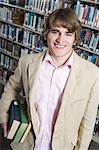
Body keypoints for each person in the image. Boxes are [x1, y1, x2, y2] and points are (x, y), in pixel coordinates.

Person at [0, 8, 99, 150]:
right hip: (27, 144)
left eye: (68, 34)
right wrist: (4, 116)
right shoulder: (27, 62)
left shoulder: (92, 74)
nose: (60, 40)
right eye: (55, 32)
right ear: (46, 34)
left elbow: (87, 122)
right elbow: (11, 88)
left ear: (75, 38)